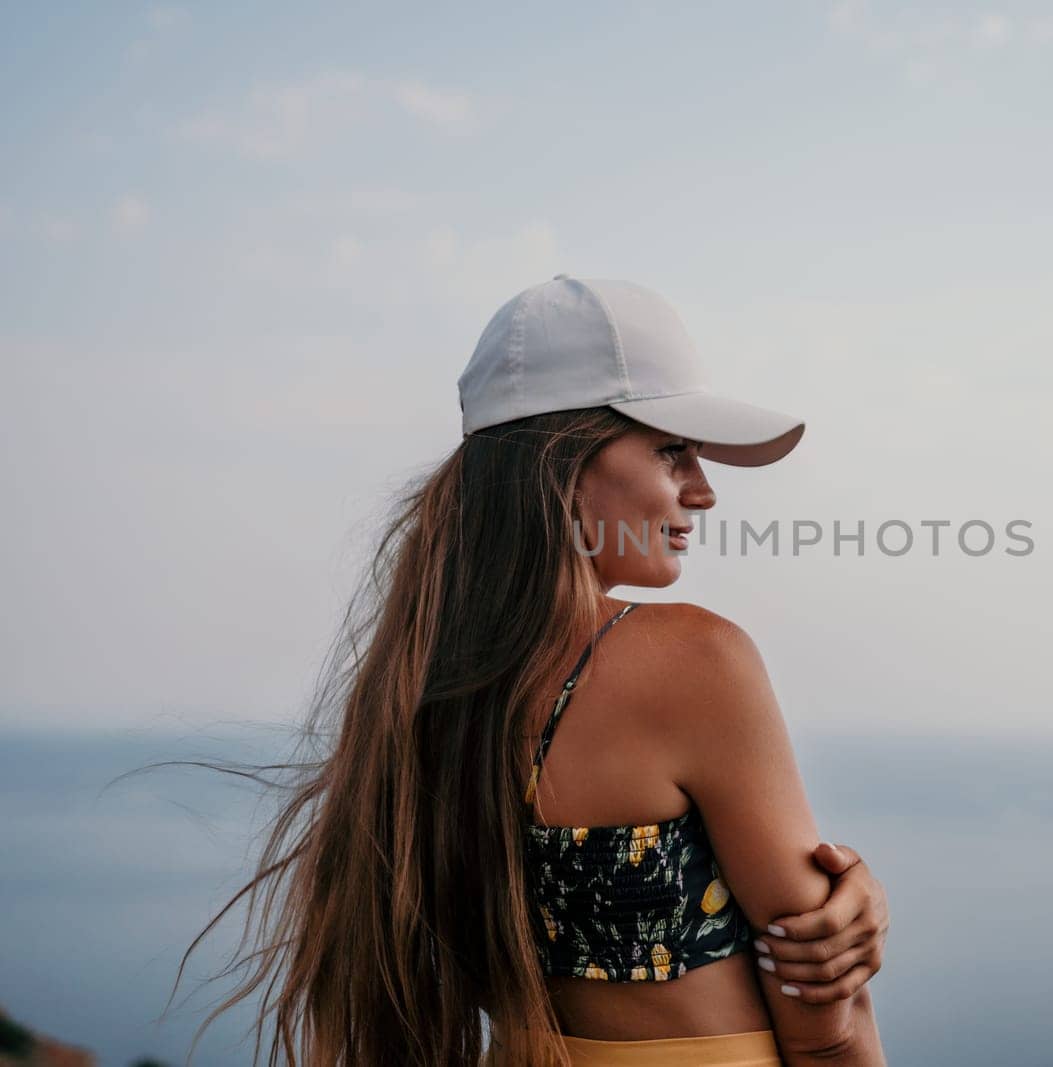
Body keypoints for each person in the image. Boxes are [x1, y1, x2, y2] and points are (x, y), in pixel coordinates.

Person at [187, 276, 889, 1067]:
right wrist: (845, 941)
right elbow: (824, 1009)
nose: (704, 490)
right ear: (565, 463)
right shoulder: (696, 660)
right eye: (672, 450)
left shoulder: (420, 689)